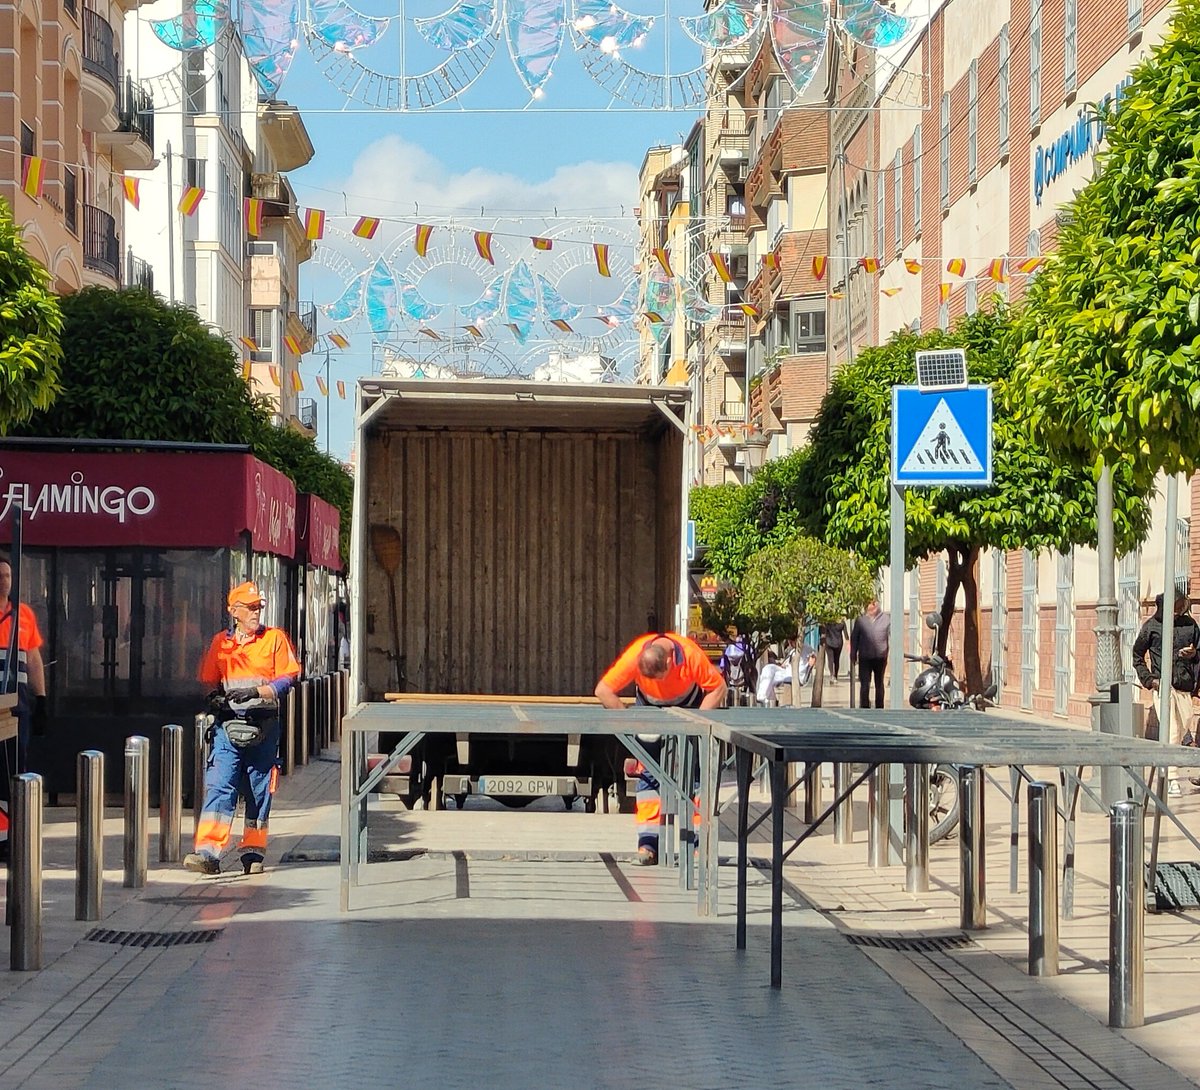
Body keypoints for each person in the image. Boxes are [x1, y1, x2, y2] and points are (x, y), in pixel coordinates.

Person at [185, 581, 300, 876]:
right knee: (220, 784)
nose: (255, 613)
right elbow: (209, 679)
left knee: (258, 790)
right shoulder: (221, 644)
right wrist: (215, 699)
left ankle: (252, 851)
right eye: (249, 608)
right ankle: (207, 853)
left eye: (258, 607)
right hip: (227, 728)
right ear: (233, 611)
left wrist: (258, 692)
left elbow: (288, 678)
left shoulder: (274, 639)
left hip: (264, 727)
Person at [595, 632, 726, 865]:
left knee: (697, 778)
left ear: (669, 660)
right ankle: (648, 844)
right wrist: (629, 721)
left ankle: (698, 845)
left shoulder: (690, 655)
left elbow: (717, 688)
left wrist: (698, 724)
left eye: (660, 677)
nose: (658, 682)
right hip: (649, 712)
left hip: (689, 709)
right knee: (648, 776)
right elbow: (603, 690)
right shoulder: (636, 654)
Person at [0, 554, 47, 855]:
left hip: (17, 705)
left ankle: (8, 839)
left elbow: (33, 660)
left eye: (7, 575)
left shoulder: (23, 614)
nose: (3, 580)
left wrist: (41, 699)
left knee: (14, 770)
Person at [1132, 590, 1199, 798]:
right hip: (1163, 687)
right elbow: (1137, 655)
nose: (1178, 611)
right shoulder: (1151, 627)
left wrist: (1193, 653)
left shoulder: (1190, 625)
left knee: (1181, 729)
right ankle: (1171, 779)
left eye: (1181, 606)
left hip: (1184, 686)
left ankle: (1166, 766)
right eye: (1174, 606)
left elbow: (1199, 648)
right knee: (1170, 731)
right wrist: (1150, 680)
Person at [851, 599, 890, 709]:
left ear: (877, 607)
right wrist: (853, 653)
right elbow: (855, 637)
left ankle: (879, 707)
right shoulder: (860, 620)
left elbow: (890, 636)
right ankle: (864, 706)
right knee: (864, 684)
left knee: (879, 683)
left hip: (880, 657)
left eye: (872, 609)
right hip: (865, 657)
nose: (869, 612)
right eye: (868, 609)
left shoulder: (886, 619)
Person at [718, 632, 756, 704]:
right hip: (743, 677)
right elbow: (752, 659)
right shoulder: (745, 647)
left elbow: (722, 665)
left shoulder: (729, 648)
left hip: (731, 678)